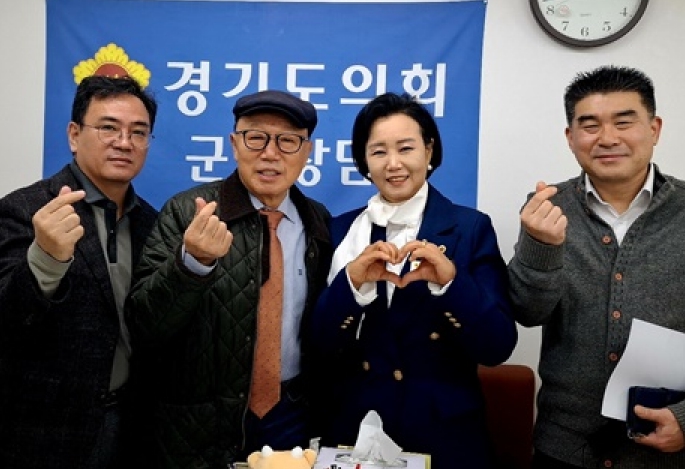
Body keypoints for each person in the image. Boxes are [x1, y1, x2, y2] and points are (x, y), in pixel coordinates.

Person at [309, 92, 518, 469]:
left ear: (429, 150)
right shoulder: (340, 231)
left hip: (444, 435)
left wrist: (451, 284)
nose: (394, 164)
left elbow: (497, 346)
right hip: (355, 433)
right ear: (364, 161)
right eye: (378, 152)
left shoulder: (470, 228)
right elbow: (318, 344)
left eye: (406, 148)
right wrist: (351, 285)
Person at [125, 89, 332, 468]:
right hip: (199, 425)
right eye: (256, 138)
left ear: (307, 152)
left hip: (290, 417)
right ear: (234, 145)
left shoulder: (318, 222)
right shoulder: (187, 212)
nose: (270, 153)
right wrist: (192, 264)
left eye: (288, 141)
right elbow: (145, 326)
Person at [508, 65, 685, 468]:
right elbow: (526, 312)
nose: (607, 138)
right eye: (590, 126)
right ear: (570, 138)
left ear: (654, 129)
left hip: (668, 452)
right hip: (564, 447)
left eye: (624, 122)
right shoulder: (547, 208)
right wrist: (542, 247)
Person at [0, 75, 159, 468]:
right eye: (108, 128)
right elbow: (8, 318)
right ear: (74, 135)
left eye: (138, 132)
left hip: (132, 426)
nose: (124, 142)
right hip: (45, 432)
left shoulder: (152, 222)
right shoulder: (26, 209)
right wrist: (45, 258)